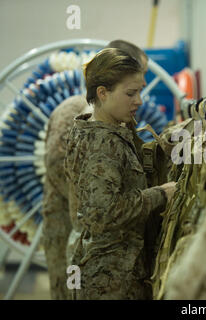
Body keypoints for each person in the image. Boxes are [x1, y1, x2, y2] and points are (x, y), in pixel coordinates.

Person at [41, 40, 151, 300]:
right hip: (69, 224)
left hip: (93, 231)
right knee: (67, 288)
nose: (138, 96)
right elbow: (60, 169)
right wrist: (95, 206)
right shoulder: (86, 119)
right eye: (132, 87)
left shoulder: (115, 120)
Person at [64, 47, 176, 299]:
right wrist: (161, 194)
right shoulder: (101, 144)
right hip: (111, 280)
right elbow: (103, 214)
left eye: (140, 91)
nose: (139, 100)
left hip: (121, 271)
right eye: (130, 93)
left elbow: (124, 172)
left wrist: (160, 152)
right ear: (102, 93)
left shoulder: (105, 129)